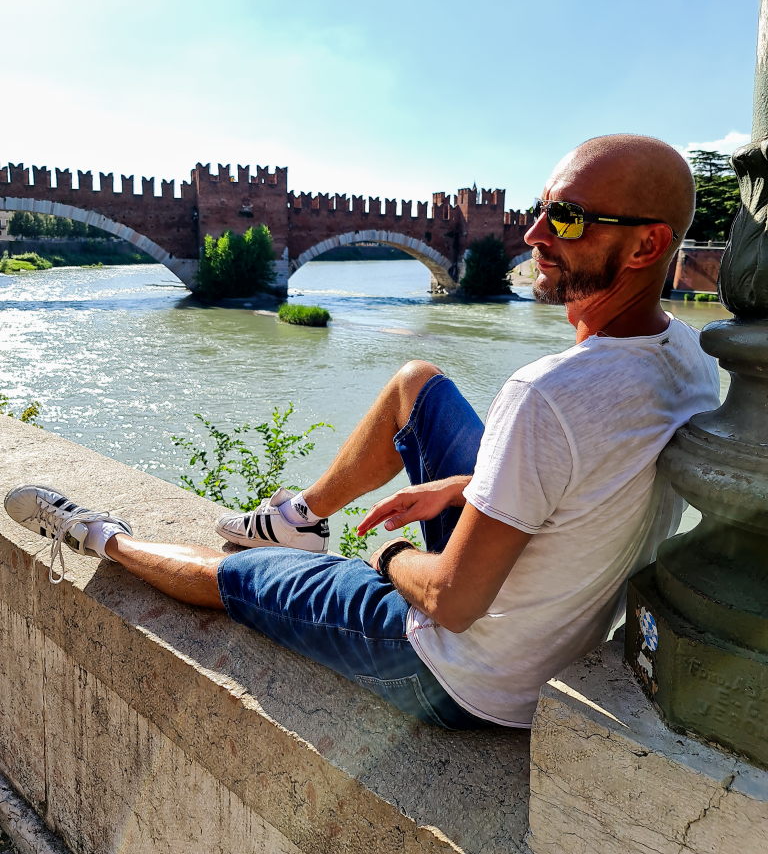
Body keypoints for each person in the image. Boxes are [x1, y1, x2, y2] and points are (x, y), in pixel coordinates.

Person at [4, 134, 720, 730]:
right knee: (418, 383)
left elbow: (449, 600)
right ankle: (299, 518)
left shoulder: (548, 394)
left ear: (645, 245)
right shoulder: (687, 356)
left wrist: (389, 556)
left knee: (232, 576)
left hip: (465, 672)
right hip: (554, 618)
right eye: (538, 212)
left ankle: (101, 535)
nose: (532, 235)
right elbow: (606, 470)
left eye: (567, 219)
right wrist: (471, 483)